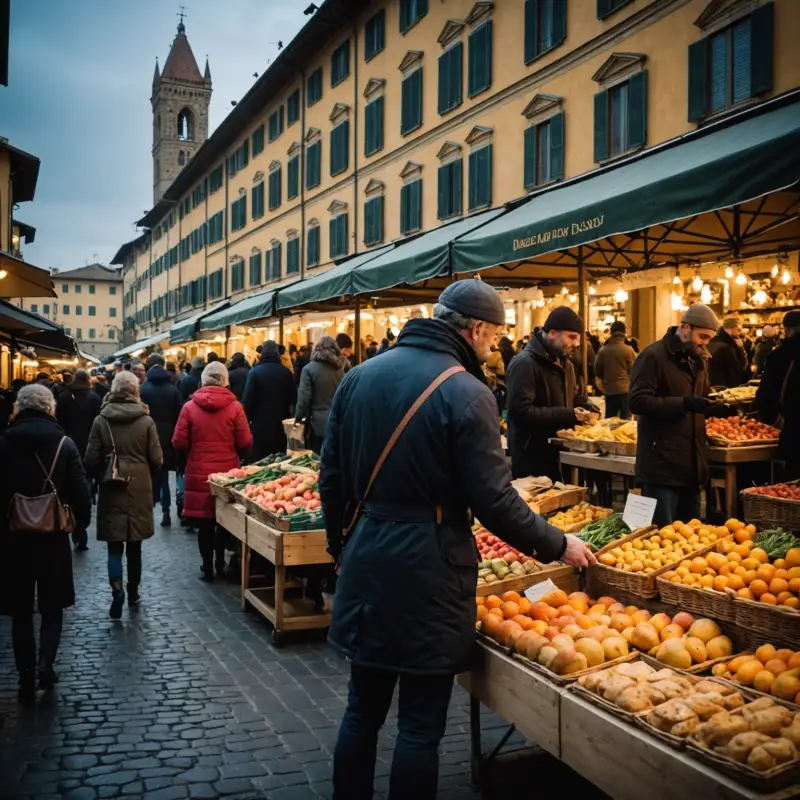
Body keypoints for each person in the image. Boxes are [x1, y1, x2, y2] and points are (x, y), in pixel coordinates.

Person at [320, 279, 595, 800]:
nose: (493, 347)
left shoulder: (357, 377)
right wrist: (558, 544)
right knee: (421, 725)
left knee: (362, 711)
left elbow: (330, 480)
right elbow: (494, 500)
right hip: (432, 569)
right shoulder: (467, 392)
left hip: (367, 556)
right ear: (476, 329)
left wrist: (341, 549)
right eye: (493, 338)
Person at [0, 385, 91, 701]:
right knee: (52, 607)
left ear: (19, 408)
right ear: (50, 407)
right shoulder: (64, 444)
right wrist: (81, 524)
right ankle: (45, 664)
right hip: (52, 536)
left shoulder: (4, 443)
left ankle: (25, 674)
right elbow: (80, 491)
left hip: (13, 538)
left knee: (21, 610)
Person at [629, 304, 734, 526]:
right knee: (661, 539)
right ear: (685, 327)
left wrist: (717, 405)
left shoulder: (699, 359)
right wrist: (684, 404)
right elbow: (637, 401)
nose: (705, 342)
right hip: (661, 467)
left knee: (691, 539)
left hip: (692, 467)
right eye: (702, 336)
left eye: (709, 338)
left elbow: (698, 399)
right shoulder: (653, 356)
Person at [85, 371, 162, 618]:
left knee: (114, 545)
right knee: (135, 545)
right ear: (135, 390)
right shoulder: (146, 421)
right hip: (139, 486)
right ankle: (134, 591)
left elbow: (90, 458)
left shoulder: (101, 420)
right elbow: (157, 459)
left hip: (112, 485)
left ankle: (116, 588)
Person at [173, 362, 252, 580]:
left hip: (199, 473)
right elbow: (245, 441)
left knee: (205, 524)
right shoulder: (235, 407)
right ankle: (220, 561)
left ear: (204, 379)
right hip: (227, 475)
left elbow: (178, 442)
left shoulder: (189, 407)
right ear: (225, 380)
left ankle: (207, 566)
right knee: (223, 521)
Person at [506, 307, 593, 480]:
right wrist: (568, 414)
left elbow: (566, 396)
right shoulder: (524, 363)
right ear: (553, 333)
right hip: (532, 460)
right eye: (572, 337)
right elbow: (520, 411)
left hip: (560, 455)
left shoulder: (566, 364)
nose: (577, 344)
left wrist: (583, 403)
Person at [55, 368, 101, 550]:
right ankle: (80, 528)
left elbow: (59, 422)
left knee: (69, 486)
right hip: (88, 446)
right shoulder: (95, 398)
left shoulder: (65, 398)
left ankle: (74, 527)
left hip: (67, 446)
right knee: (85, 485)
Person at [140, 353, 183, 527]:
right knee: (165, 476)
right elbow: (180, 415)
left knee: (148, 475)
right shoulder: (173, 389)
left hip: (146, 436)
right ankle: (166, 511)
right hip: (167, 438)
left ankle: (148, 510)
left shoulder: (143, 389)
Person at [757, 310, 800, 479]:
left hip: (794, 431)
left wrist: (766, 418)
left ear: (787, 329)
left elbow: (767, 394)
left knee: (792, 488)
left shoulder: (782, 354)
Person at [242, 341, 296, 460]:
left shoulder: (254, 373)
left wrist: (247, 421)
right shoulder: (286, 373)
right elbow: (294, 400)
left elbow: (247, 401)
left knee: (260, 463)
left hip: (259, 426)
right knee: (279, 462)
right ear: (277, 354)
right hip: (280, 426)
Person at [295, 336, 346, 454]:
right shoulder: (339, 371)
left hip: (316, 425)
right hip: (338, 422)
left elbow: (303, 400)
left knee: (318, 460)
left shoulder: (308, 369)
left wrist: (298, 419)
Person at [594, 321, 636, 419]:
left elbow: (597, 372)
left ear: (611, 333)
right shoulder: (629, 350)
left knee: (610, 421)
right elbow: (633, 371)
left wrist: (604, 387)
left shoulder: (603, 351)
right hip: (625, 391)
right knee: (625, 421)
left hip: (609, 391)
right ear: (624, 333)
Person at [708, 318, 749, 389]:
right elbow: (740, 365)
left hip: (716, 383)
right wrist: (740, 348)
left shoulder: (715, 340)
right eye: (738, 329)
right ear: (731, 328)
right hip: (726, 385)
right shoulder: (728, 345)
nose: (739, 333)